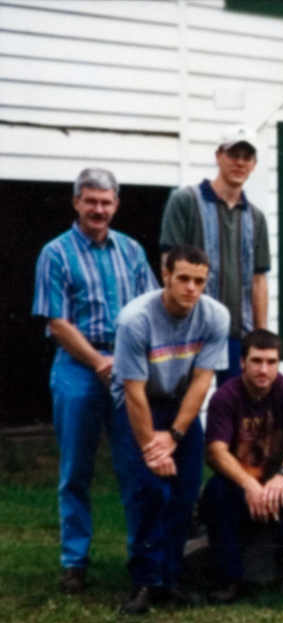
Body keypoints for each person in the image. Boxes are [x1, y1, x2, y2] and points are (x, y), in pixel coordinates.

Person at [32, 168, 158, 595]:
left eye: (106, 202)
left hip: (127, 370)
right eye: (91, 201)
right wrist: (99, 362)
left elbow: (149, 311)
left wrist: (128, 364)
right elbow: (56, 321)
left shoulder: (133, 251)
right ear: (76, 203)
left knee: (135, 466)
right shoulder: (56, 253)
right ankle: (75, 562)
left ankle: (140, 558)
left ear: (116, 205)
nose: (98, 210)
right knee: (75, 471)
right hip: (77, 368)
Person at [110, 244, 229, 614]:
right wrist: (151, 446)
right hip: (138, 402)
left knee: (183, 492)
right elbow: (132, 390)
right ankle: (144, 581)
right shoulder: (136, 319)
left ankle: (171, 580)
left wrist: (175, 436)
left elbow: (201, 381)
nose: (191, 288)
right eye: (183, 279)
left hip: (181, 407)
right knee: (148, 491)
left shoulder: (215, 316)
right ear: (166, 276)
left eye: (199, 281)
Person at [199, 329, 283, 604]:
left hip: (281, 487)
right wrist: (250, 485)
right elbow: (215, 451)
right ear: (242, 362)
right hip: (244, 486)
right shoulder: (226, 396)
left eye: (271, 362)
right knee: (215, 491)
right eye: (256, 361)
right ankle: (230, 577)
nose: (264, 369)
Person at [159, 124, 269, 384]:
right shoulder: (184, 201)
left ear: (254, 164)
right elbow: (168, 265)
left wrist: (260, 335)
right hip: (188, 329)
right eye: (233, 154)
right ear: (218, 156)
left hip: (237, 334)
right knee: (183, 408)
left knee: (231, 413)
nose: (239, 163)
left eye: (247, 157)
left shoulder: (256, 217)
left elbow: (259, 280)